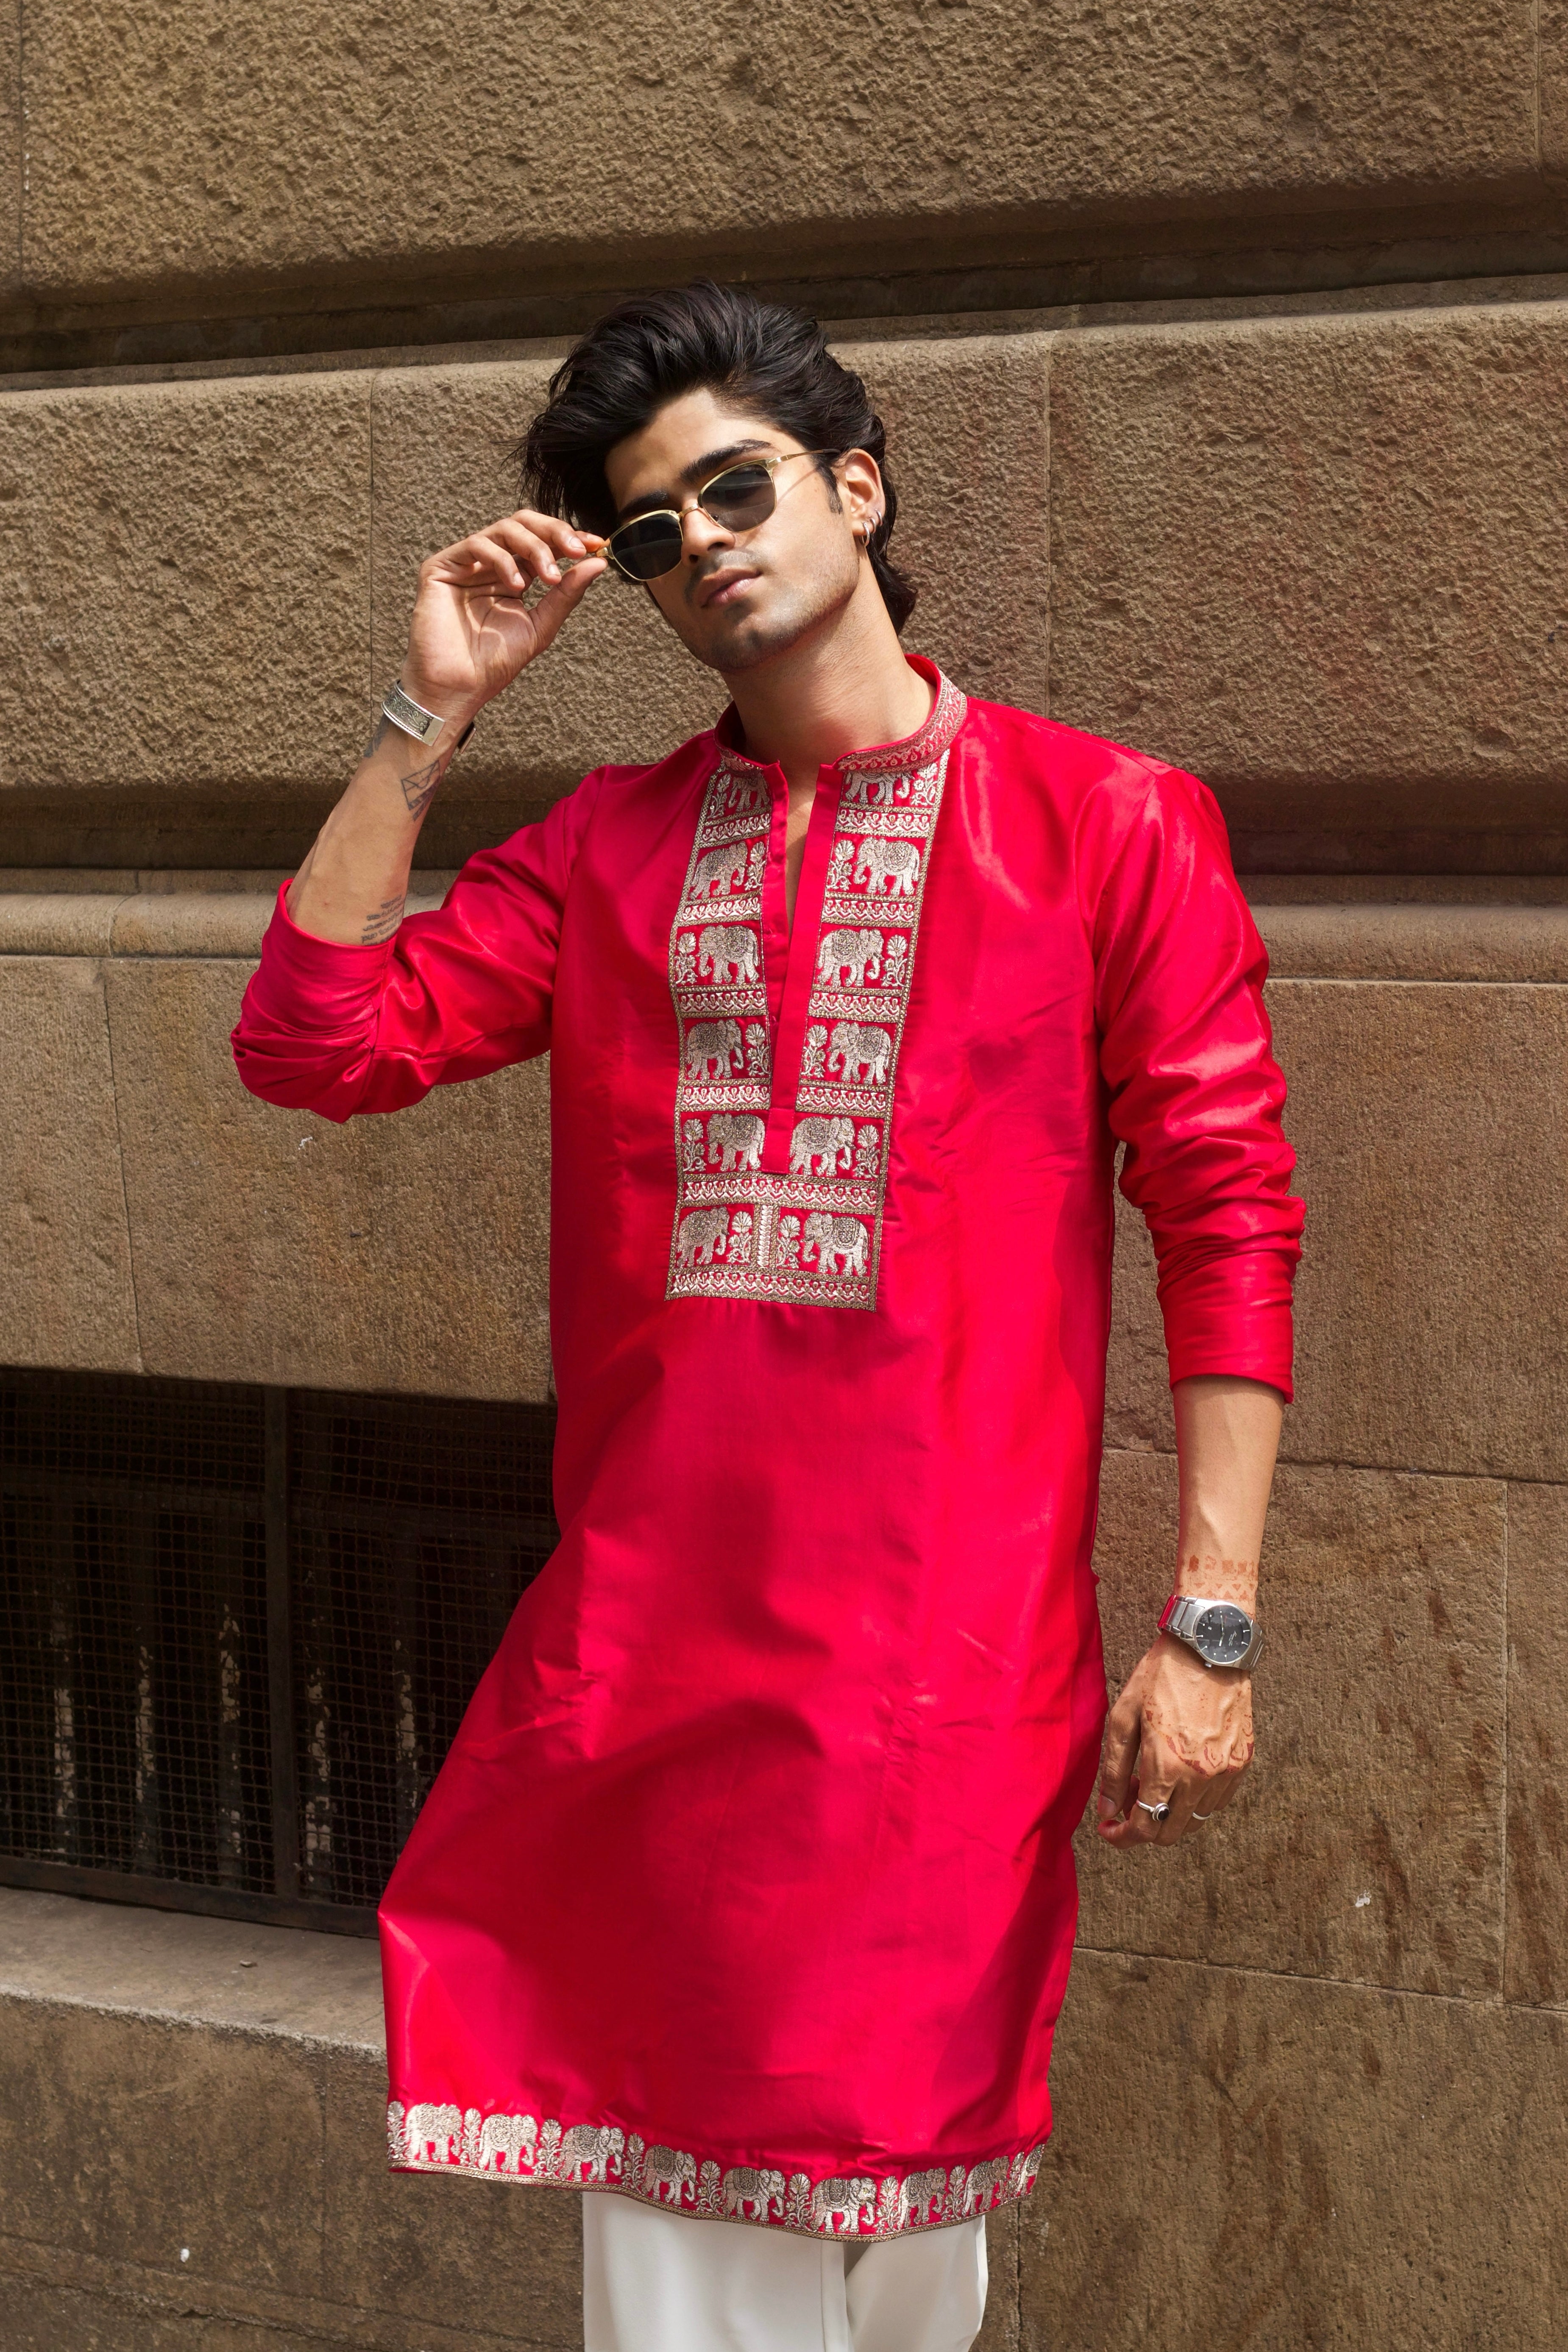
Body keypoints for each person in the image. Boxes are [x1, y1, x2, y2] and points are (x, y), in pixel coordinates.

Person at [232, 281, 1301, 2352]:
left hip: (948, 1680)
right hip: (650, 1678)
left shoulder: (1104, 822)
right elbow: (315, 1039)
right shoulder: (607, 849)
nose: (702, 542)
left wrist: (1214, 1614)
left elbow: (1226, 1207)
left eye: (737, 487)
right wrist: (430, 708)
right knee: (686, 2269)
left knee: (905, 2248)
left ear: (855, 487)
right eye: (652, 529)